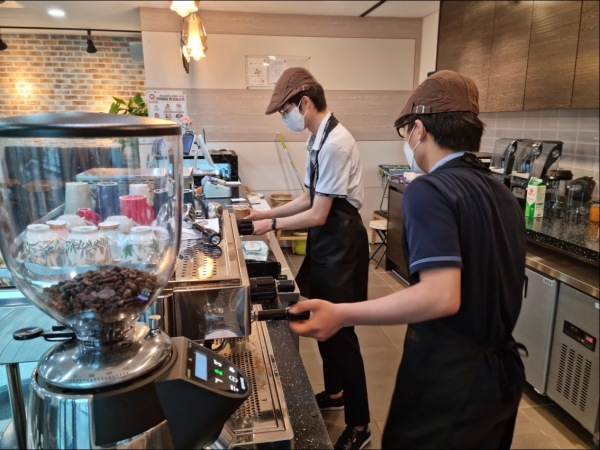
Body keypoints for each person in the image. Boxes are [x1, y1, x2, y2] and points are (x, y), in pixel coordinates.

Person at [289, 70, 527, 449]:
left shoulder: (429, 190)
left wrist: (341, 314)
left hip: (449, 381)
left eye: (405, 133)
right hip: (500, 381)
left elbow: (440, 296)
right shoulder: (503, 196)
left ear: (419, 129)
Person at [246, 67, 372, 449]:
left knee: (341, 330)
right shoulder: (317, 138)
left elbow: (318, 213)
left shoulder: (336, 142)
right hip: (325, 240)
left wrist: (271, 225)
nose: (285, 119)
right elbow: (309, 197)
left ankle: (360, 425)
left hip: (342, 243)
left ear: (304, 103)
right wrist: (266, 213)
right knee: (315, 314)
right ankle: (335, 393)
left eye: (285, 111)